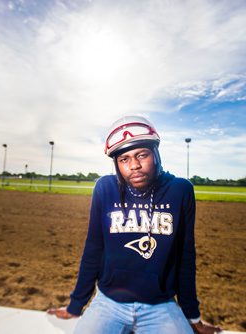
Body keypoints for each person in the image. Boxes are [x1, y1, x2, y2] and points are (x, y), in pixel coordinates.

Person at [48, 116, 222, 334]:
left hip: (161, 305)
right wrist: (75, 306)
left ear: (156, 154)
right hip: (109, 302)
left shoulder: (180, 190)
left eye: (142, 155)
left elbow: (186, 257)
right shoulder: (105, 188)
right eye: (124, 159)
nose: (134, 166)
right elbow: (93, 249)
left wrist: (192, 316)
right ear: (116, 164)